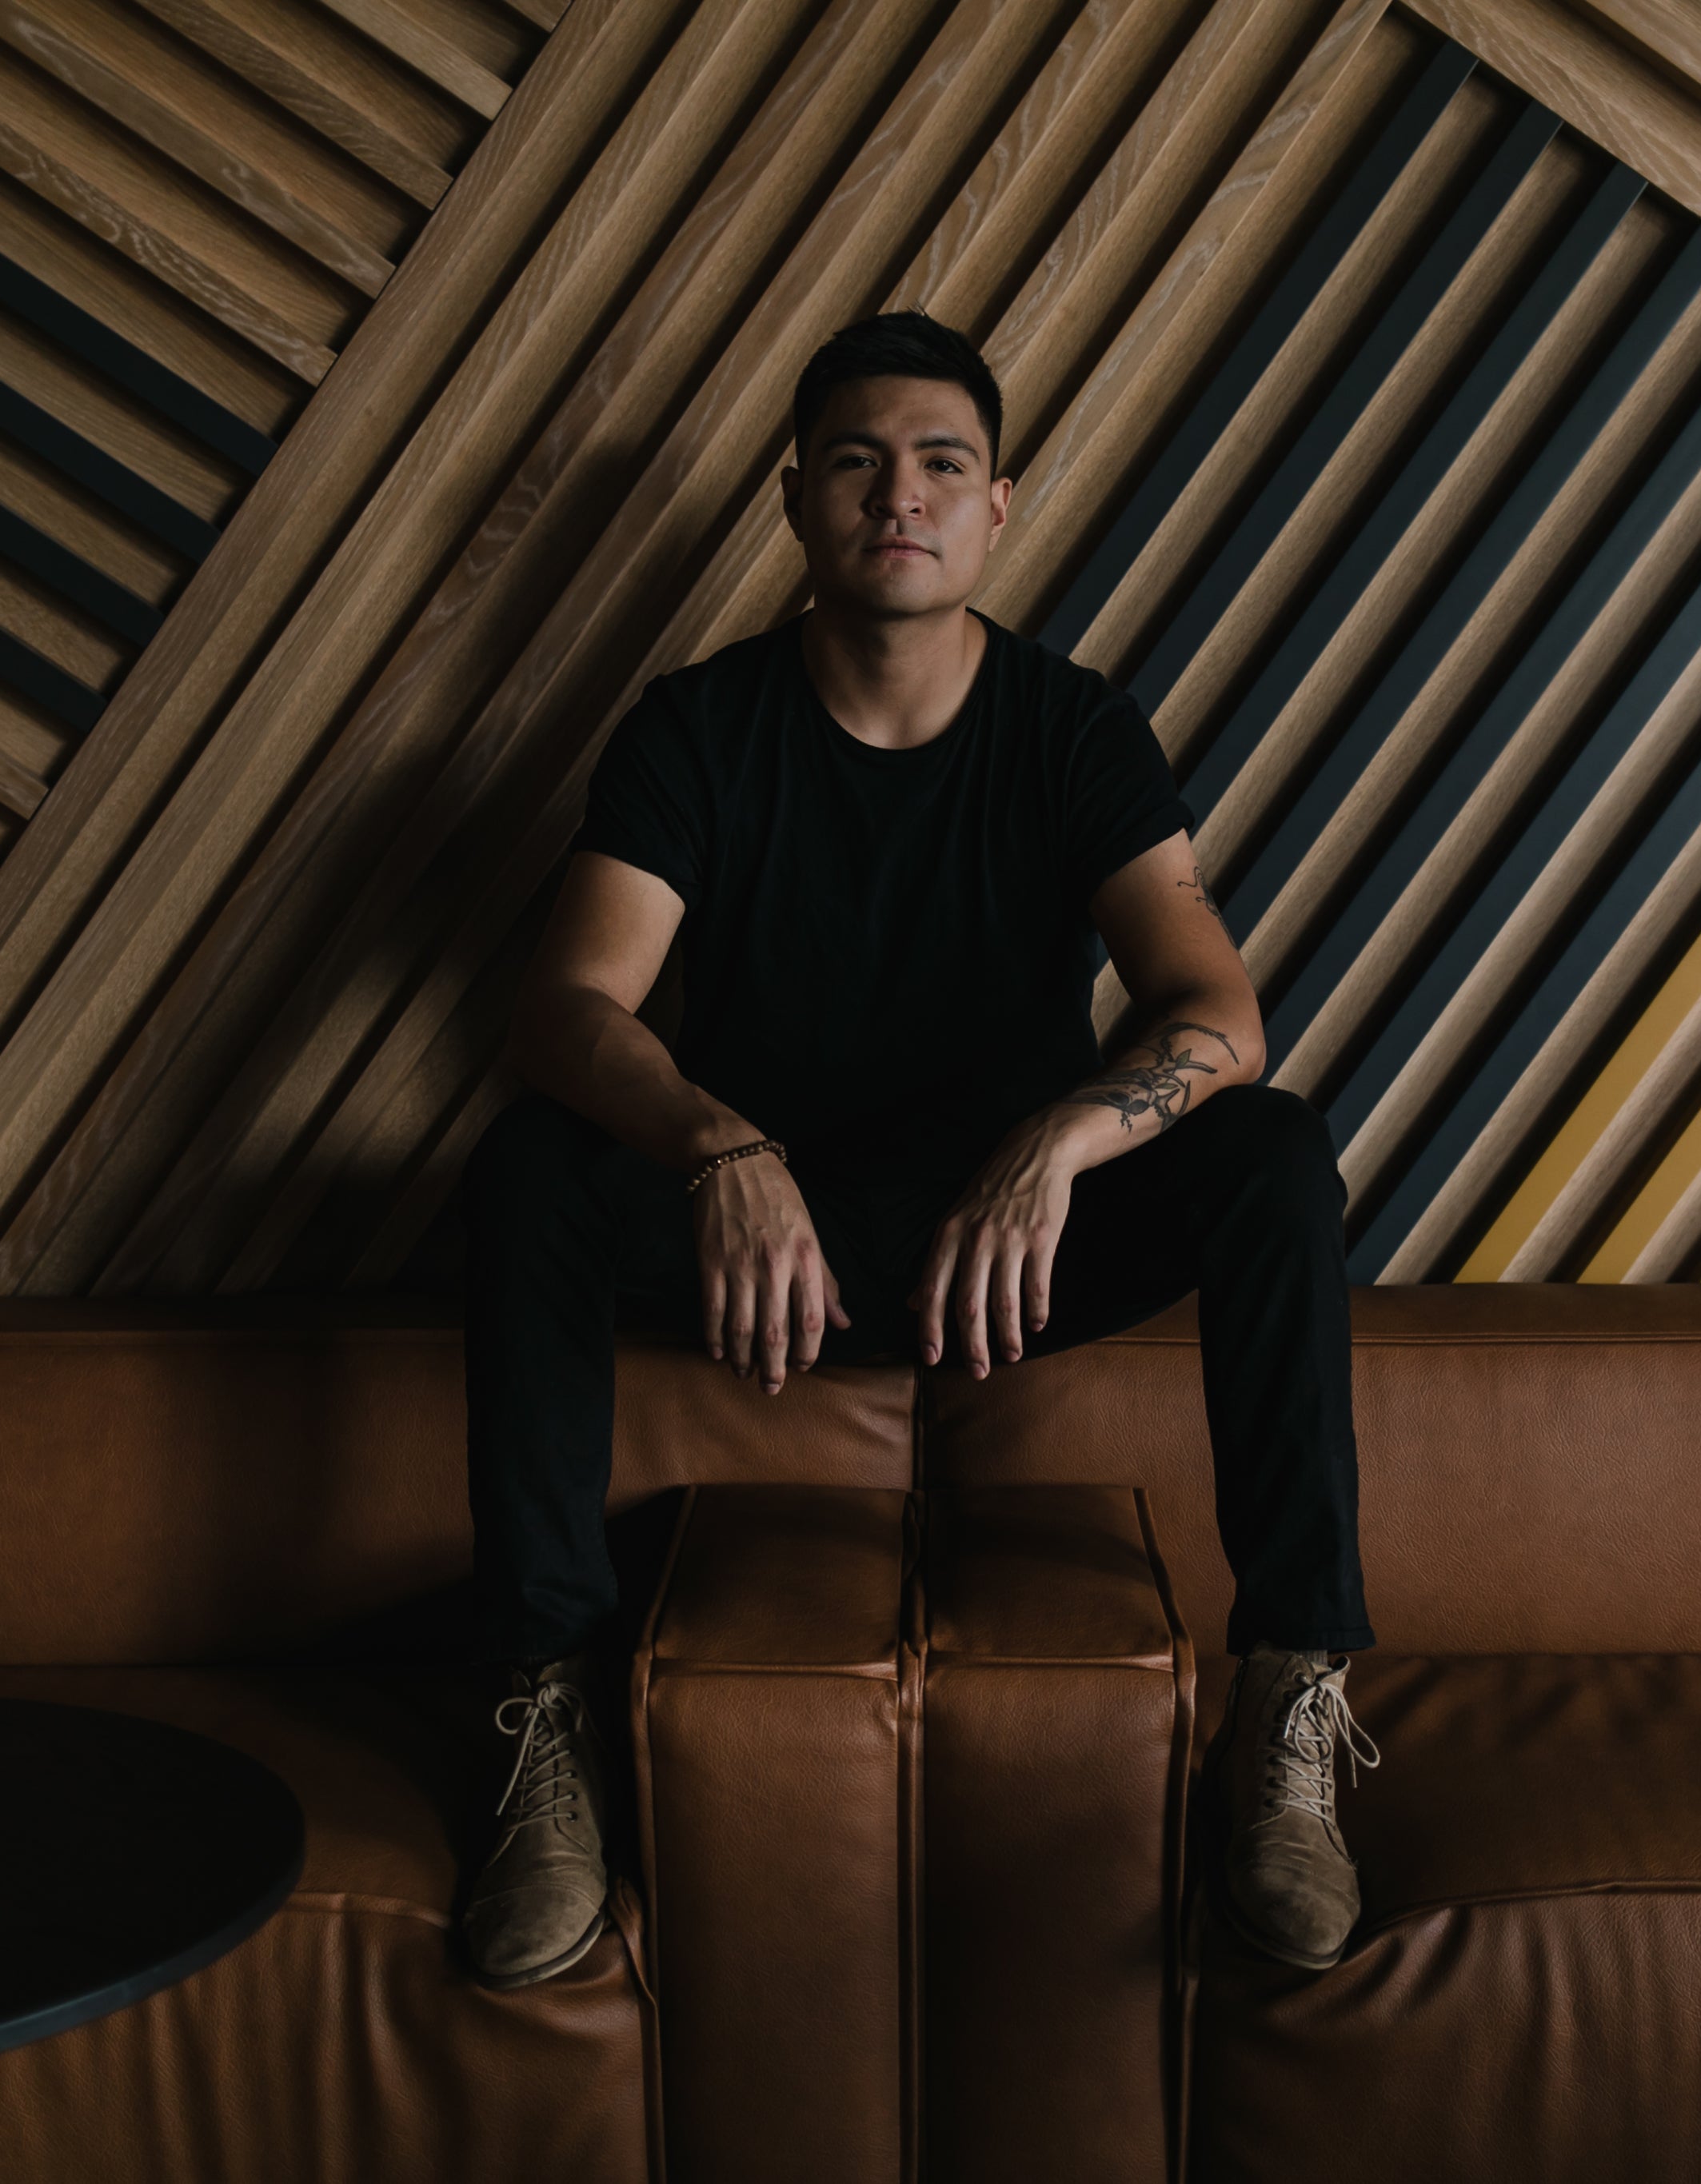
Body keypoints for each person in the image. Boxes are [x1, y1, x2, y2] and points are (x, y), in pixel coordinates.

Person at [457, 311, 1376, 1990]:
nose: (901, 493)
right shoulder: (696, 731)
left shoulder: (1069, 728)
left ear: (999, 506)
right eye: (858, 461)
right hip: (775, 1270)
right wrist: (720, 1145)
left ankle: (1293, 1702)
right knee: (523, 1170)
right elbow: (564, 1010)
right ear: (793, 497)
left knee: (1273, 1152)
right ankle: (545, 1730)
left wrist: (1059, 1138)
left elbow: (1215, 1011)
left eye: (942, 462)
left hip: (1004, 1255)